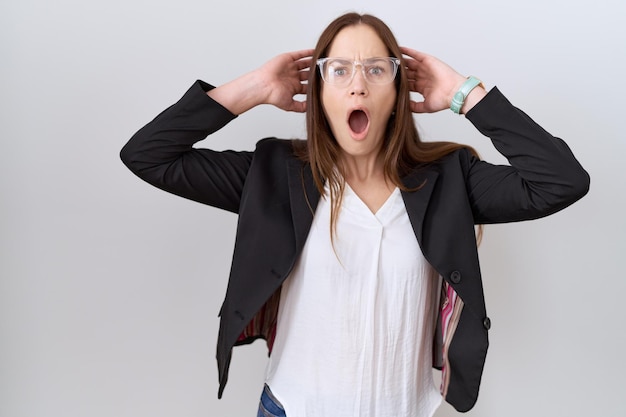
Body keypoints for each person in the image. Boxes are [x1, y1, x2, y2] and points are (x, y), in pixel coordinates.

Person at [120, 12, 589, 417]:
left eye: (376, 70)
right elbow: (148, 155)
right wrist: (254, 88)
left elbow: (561, 181)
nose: (358, 83)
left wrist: (465, 93)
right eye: (339, 70)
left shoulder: (449, 179)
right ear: (319, 93)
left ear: (399, 92)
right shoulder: (273, 174)